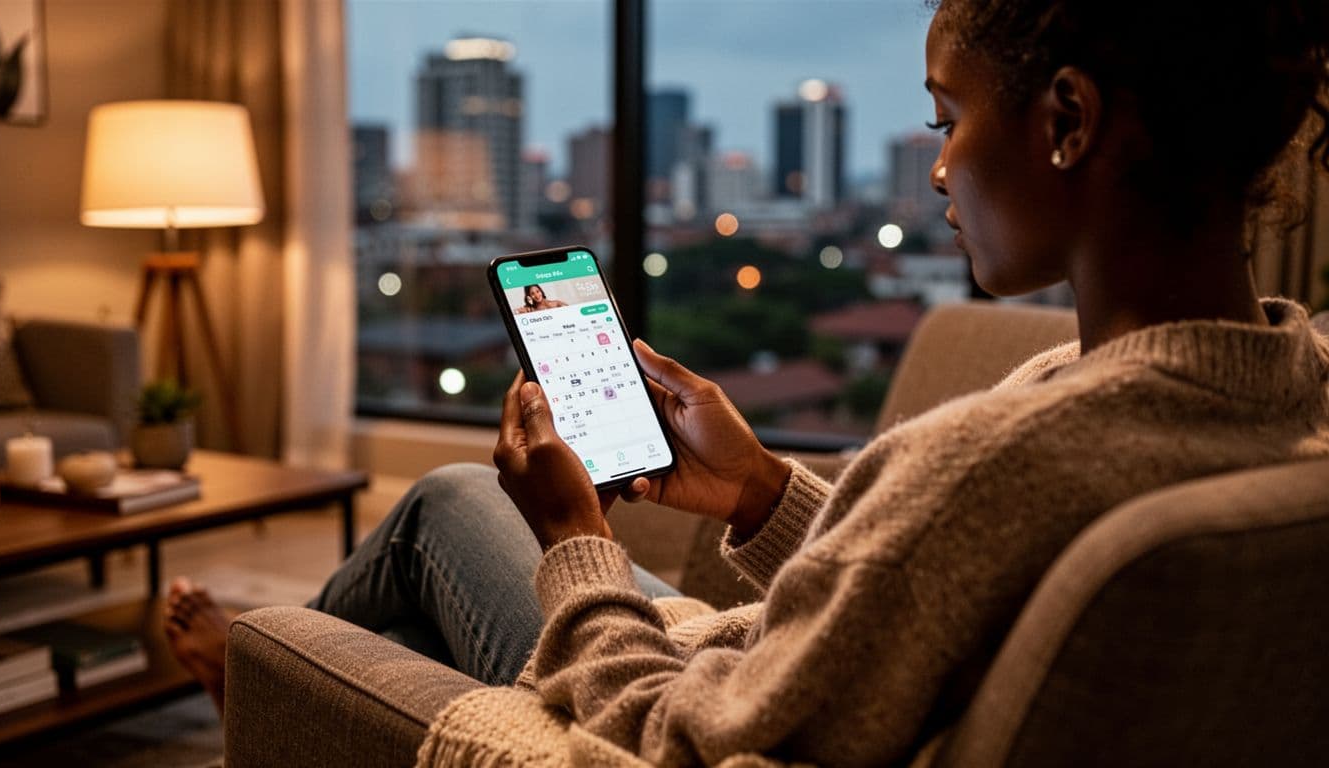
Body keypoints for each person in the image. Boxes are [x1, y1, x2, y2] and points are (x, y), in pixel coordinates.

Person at [165, 1, 1329, 765]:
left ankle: (264, 673)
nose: (935, 166)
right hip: (772, 651)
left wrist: (574, 535)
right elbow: (914, 581)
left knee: (436, 513)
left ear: (1065, 120)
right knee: (453, 512)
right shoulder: (1288, 379)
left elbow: (681, 736)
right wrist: (762, 492)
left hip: (677, 698)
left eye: (948, 117)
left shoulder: (999, 465)